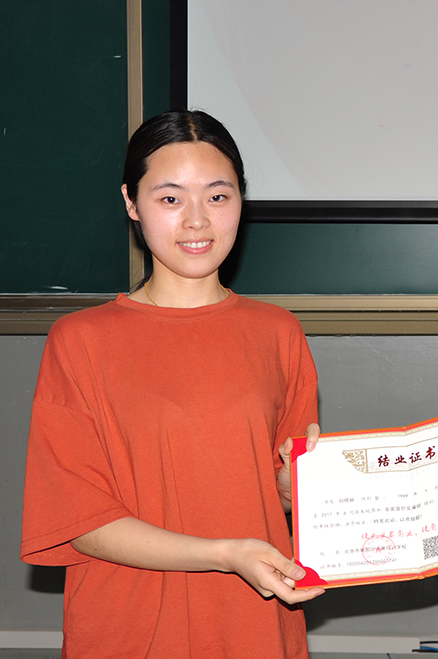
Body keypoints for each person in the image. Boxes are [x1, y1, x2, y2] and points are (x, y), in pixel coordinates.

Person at [21, 110, 323, 658]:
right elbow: (79, 521)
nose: (197, 221)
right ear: (131, 203)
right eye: (170, 198)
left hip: (251, 619)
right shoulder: (80, 340)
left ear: (241, 201)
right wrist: (223, 554)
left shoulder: (278, 332)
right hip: (130, 625)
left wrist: (290, 488)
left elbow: (271, 496)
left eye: (217, 196)